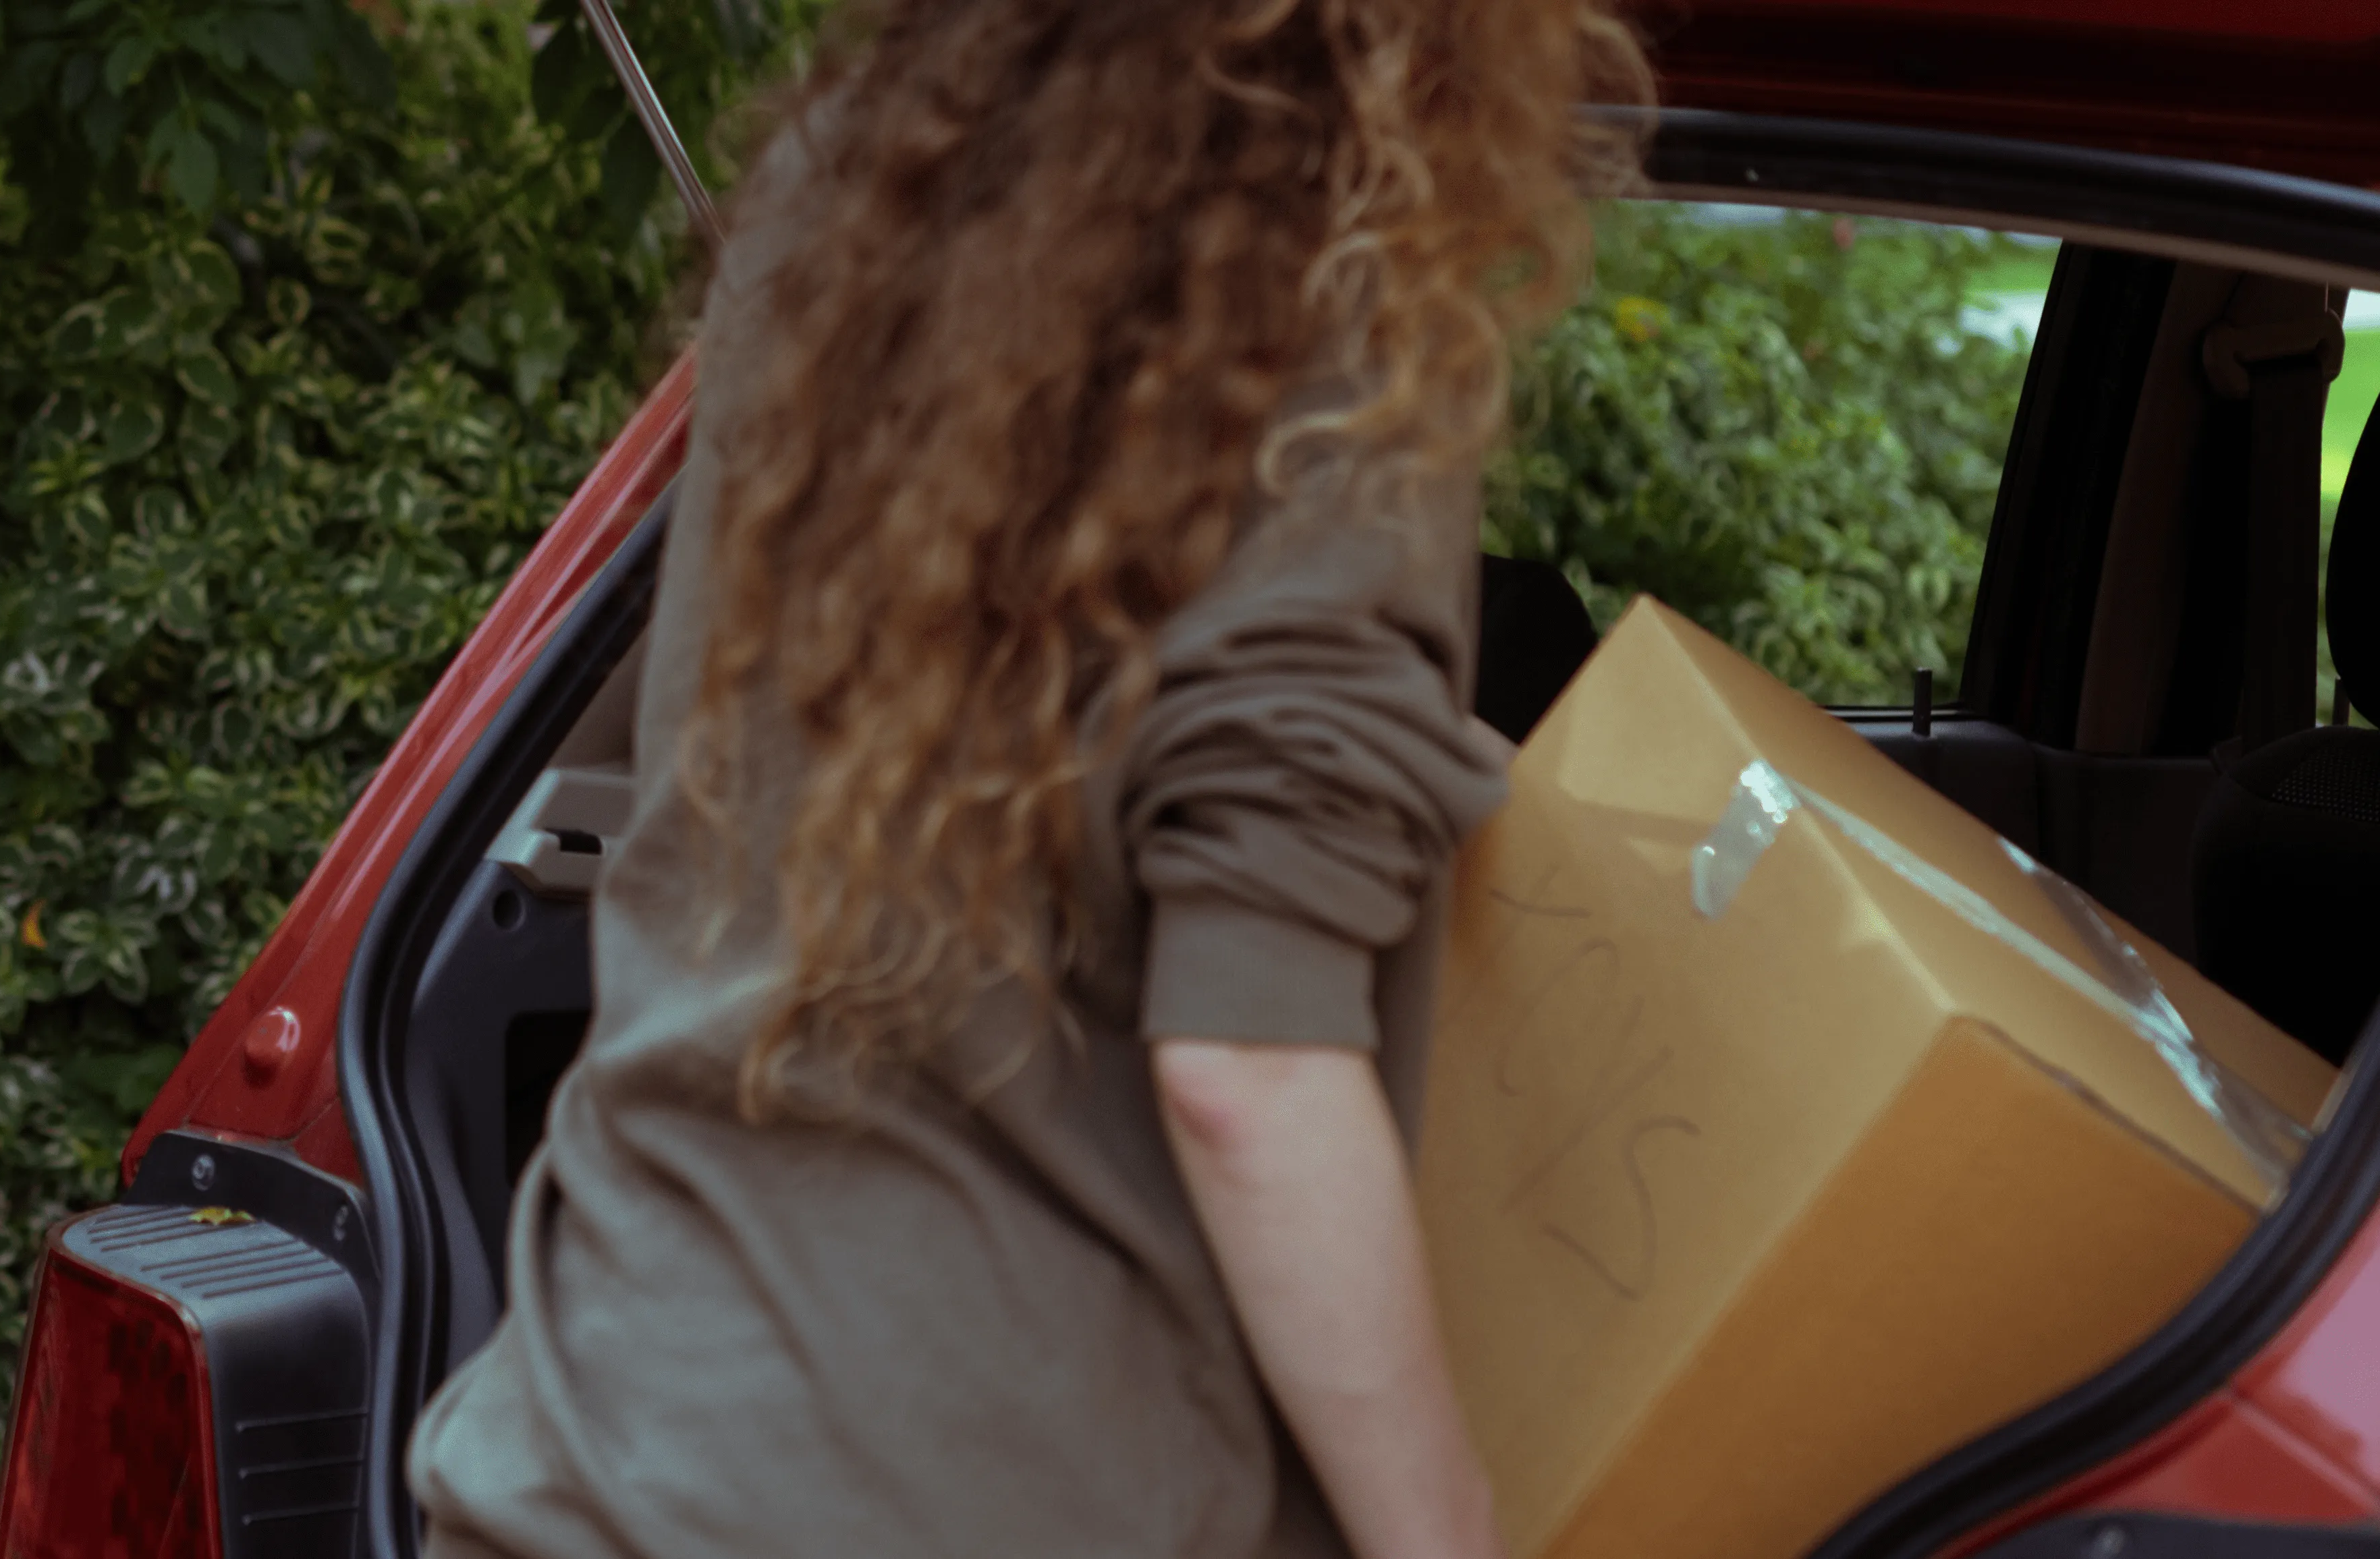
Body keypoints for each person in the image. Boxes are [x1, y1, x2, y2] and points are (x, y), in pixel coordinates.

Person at [409, 3, 1649, 1555]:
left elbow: (989, 712)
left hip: (592, 1452)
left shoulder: (845, 205)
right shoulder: (1324, 341)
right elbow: (1245, 1072)